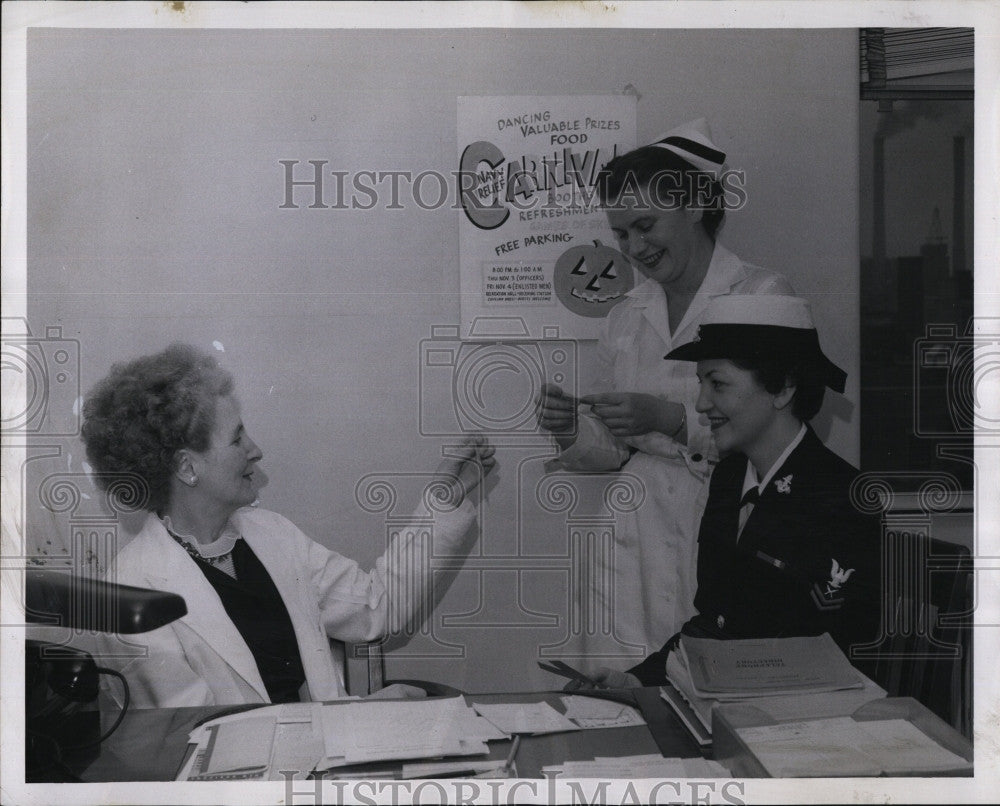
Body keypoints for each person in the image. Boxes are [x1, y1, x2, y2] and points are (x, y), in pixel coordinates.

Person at [83, 343, 496, 708]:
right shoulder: (129, 596)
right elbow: (199, 738)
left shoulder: (271, 534)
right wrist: (361, 716)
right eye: (237, 438)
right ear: (187, 467)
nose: (256, 450)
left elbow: (375, 607)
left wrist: (444, 501)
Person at [537, 119, 794, 660]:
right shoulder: (627, 315)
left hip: (727, 517)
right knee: (622, 691)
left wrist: (671, 419)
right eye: (621, 233)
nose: (634, 247)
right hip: (633, 532)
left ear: (694, 207)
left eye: (645, 224)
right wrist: (571, 432)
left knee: (711, 685)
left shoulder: (760, 295)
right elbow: (613, 451)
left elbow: (779, 428)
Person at [584, 295, 881, 688]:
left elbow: (822, 654)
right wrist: (637, 681)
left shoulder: (842, 497)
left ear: (783, 389)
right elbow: (714, 621)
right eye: (700, 383)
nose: (702, 403)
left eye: (718, 384)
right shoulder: (729, 478)